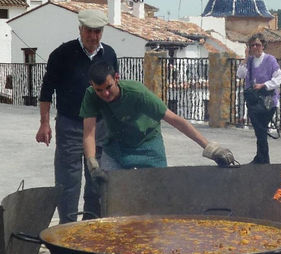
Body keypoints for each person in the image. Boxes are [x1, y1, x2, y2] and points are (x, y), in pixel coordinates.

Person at [79, 61, 235, 180]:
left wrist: (209, 147)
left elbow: (175, 120)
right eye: (99, 90)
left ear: (116, 78)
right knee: (110, 192)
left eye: (108, 87)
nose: (105, 94)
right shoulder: (91, 95)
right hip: (117, 147)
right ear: (92, 85)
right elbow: (89, 133)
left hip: (148, 143)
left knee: (158, 190)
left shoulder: (137, 93)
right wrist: (92, 162)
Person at [35, 9, 118, 223]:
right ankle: (67, 231)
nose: (93, 36)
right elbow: (46, 91)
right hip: (69, 125)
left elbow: (113, 90)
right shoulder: (62, 54)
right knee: (67, 182)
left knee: (97, 180)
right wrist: (44, 123)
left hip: (100, 127)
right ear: (80, 29)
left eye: (97, 31)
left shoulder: (109, 54)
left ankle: (91, 229)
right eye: (89, 31)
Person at [237, 33, 281, 164]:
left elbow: (278, 78)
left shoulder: (270, 60)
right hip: (253, 101)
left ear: (263, 46)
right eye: (252, 45)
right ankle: (261, 158)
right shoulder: (249, 61)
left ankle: (262, 159)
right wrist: (245, 58)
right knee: (259, 131)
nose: (255, 47)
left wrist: (264, 85)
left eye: (258, 44)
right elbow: (240, 75)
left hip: (268, 101)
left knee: (261, 129)